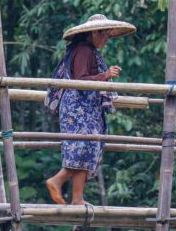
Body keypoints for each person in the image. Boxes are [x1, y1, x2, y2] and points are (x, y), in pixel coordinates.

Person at [45, 14, 136, 206]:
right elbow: (80, 80)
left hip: (87, 108)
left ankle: (77, 198)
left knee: (89, 146)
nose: (106, 40)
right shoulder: (84, 50)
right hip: (78, 108)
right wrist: (105, 75)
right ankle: (57, 180)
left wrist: (103, 76)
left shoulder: (88, 50)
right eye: (104, 36)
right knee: (84, 147)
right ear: (94, 32)